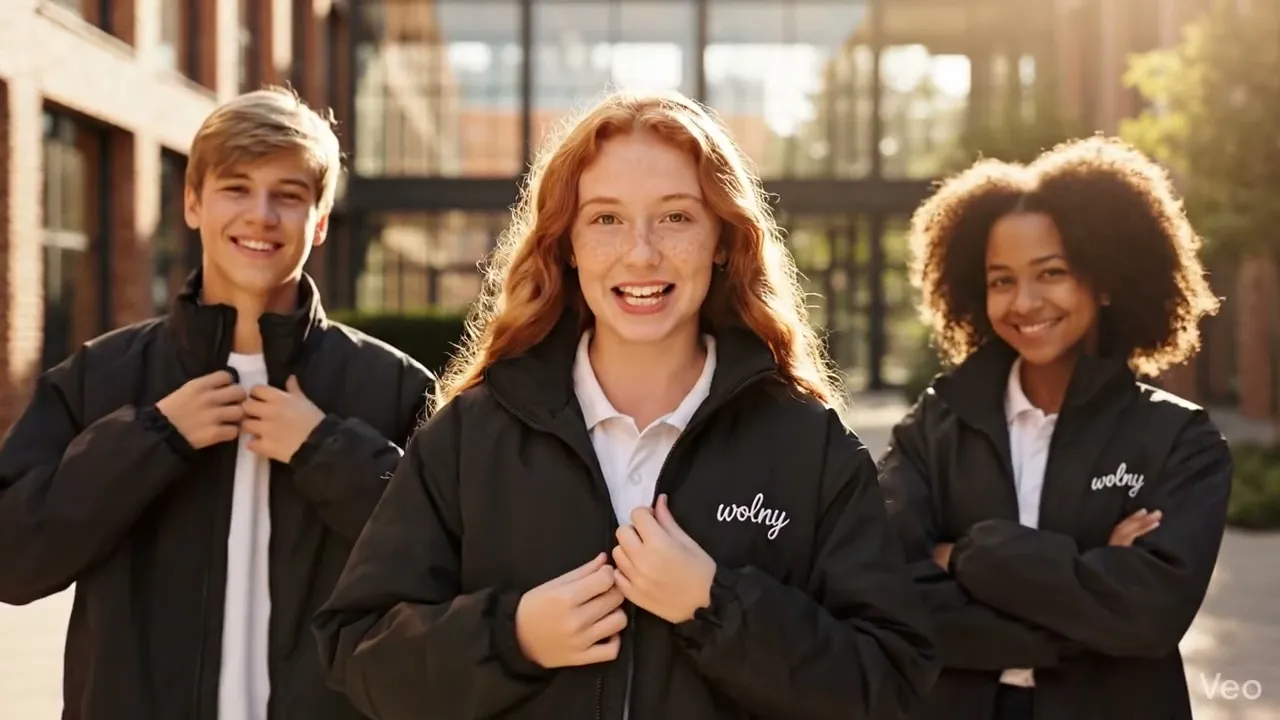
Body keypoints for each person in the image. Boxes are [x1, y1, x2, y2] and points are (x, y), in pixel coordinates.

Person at [311, 90, 939, 720]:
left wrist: (718, 606)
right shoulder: (472, 435)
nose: (641, 252)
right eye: (606, 219)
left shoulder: (808, 446)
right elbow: (356, 651)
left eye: (676, 217)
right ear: (567, 244)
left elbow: (891, 685)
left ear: (723, 239)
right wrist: (514, 636)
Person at [0, 86, 434, 720]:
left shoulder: (393, 386)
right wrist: (154, 438)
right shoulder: (101, 377)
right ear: (193, 203)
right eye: (236, 188)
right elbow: (15, 560)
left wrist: (325, 450)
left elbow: (449, 561)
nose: (260, 215)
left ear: (318, 221)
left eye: (287, 195)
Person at [879, 135, 1231, 720]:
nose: (1025, 301)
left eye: (1052, 273)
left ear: (1106, 278)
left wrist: (967, 556)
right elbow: (889, 592)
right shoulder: (936, 425)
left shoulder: (1177, 439)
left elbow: (1149, 615)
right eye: (1001, 280)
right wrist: (1088, 593)